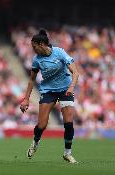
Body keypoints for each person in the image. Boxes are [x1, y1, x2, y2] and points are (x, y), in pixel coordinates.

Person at [20, 29, 79, 163]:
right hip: (48, 91)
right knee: (42, 124)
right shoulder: (36, 60)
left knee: (68, 123)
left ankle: (67, 153)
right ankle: (35, 143)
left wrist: (71, 87)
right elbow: (31, 80)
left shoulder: (59, 52)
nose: (33, 49)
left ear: (41, 44)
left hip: (65, 90)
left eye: (34, 46)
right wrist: (26, 98)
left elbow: (75, 72)